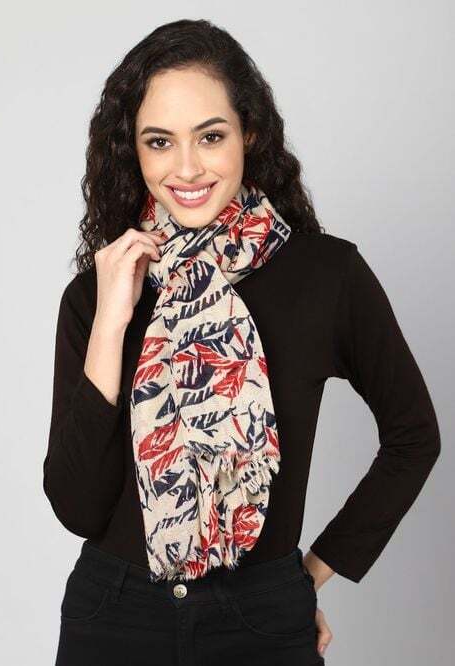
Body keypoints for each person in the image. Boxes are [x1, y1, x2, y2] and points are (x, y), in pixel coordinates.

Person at [43, 18, 441, 666]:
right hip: (114, 616)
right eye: (159, 142)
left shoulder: (326, 275)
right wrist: (113, 321)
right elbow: (77, 507)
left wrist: (307, 575)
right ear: (132, 152)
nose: (187, 167)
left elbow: (414, 436)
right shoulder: (98, 293)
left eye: (211, 136)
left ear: (248, 134)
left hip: (260, 620)